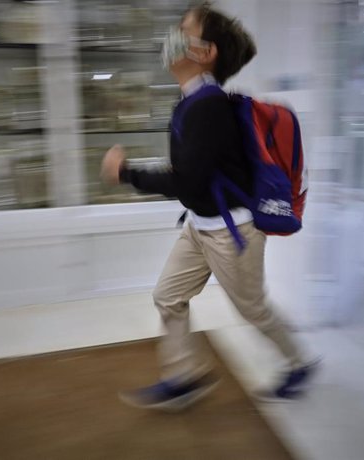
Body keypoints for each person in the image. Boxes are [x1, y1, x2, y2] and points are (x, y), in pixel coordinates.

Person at [101, 2, 319, 411]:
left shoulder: (209, 107)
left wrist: (125, 172)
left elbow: (185, 180)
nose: (173, 38)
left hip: (231, 232)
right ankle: (183, 377)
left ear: (205, 52)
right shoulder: (191, 102)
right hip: (200, 224)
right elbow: (191, 174)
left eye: (184, 31)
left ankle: (298, 363)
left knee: (253, 310)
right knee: (168, 296)